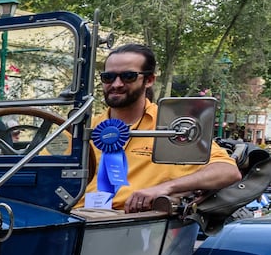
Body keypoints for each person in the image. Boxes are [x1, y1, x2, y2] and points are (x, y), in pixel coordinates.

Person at [84, 43, 240, 212]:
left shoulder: (175, 127)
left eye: (128, 76)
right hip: (74, 218)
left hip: (134, 223)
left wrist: (165, 188)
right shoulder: (85, 127)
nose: (116, 84)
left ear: (149, 80)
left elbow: (228, 171)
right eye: (108, 77)